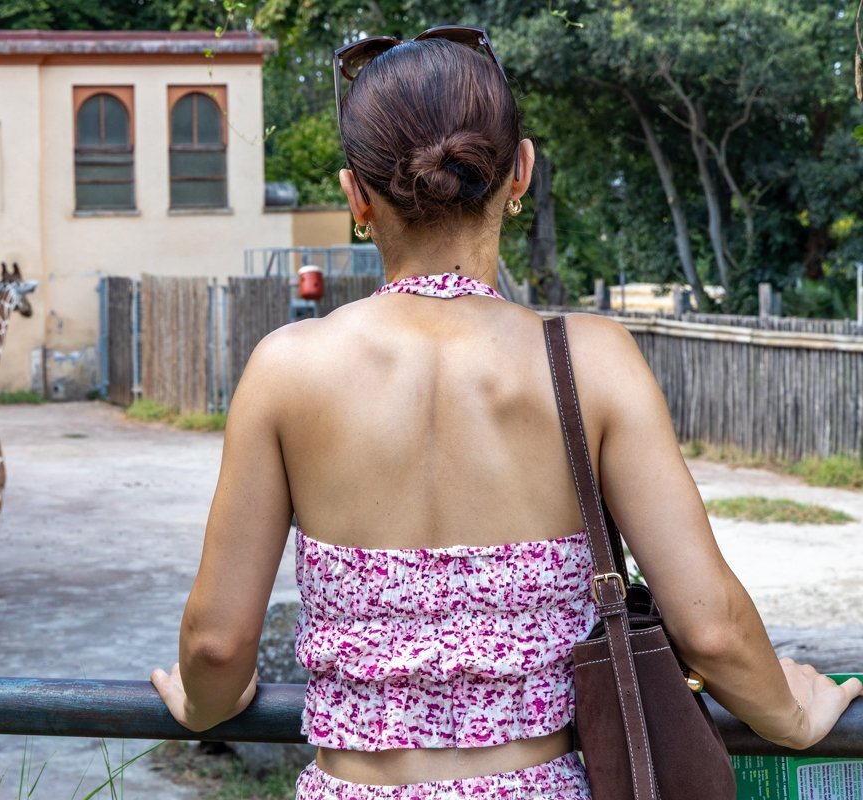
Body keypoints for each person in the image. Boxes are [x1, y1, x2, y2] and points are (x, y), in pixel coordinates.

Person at [151, 27, 862, 799]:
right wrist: (795, 714)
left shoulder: (286, 369)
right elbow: (712, 629)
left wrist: (201, 705)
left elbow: (217, 648)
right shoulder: (591, 362)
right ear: (520, 170)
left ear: (356, 195)